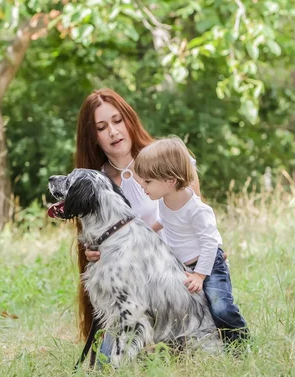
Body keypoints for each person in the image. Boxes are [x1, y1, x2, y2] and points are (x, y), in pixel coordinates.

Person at [73, 88, 202, 342]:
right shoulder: (95, 186)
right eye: (101, 127)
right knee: (109, 363)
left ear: (129, 120)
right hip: (135, 286)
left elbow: (198, 216)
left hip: (184, 276)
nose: (113, 132)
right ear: (92, 136)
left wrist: (212, 253)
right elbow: (95, 242)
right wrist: (94, 252)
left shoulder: (169, 158)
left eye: (117, 120)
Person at [134, 137, 249, 344]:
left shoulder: (197, 210)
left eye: (147, 181)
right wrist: (148, 231)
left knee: (219, 304)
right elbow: (165, 220)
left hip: (208, 264)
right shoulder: (164, 200)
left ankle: (240, 341)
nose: (141, 184)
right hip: (185, 265)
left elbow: (210, 243)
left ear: (170, 181)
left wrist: (200, 275)